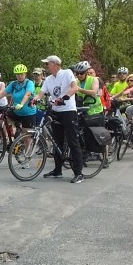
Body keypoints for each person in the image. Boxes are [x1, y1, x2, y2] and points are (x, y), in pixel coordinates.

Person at [32, 55, 84, 184]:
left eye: (47, 64)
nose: (46, 66)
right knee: (57, 141)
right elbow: (41, 93)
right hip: (56, 112)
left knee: (73, 141)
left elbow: (74, 87)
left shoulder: (67, 73)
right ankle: (57, 170)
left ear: (55, 64)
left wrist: (63, 98)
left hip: (68, 111)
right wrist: (34, 99)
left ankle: (79, 173)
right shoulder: (48, 79)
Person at [0, 64, 37, 131]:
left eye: (21, 74)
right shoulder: (13, 84)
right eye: (17, 74)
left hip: (28, 113)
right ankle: (5, 138)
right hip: (16, 111)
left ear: (25, 74)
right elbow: (3, 93)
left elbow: (27, 94)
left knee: (26, 138)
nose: (19, 76)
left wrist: (21, 104)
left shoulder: (29, 83)